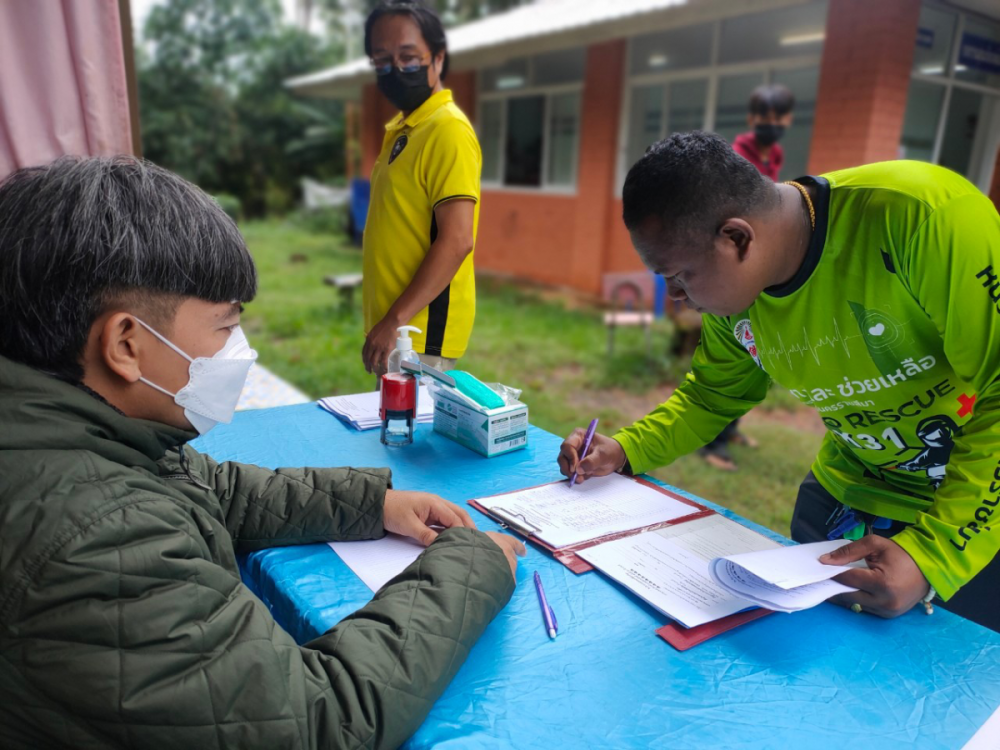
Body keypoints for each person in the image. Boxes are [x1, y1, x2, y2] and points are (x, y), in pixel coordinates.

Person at [0, 156, 525, 748]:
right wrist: (471, 569)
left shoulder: (62, 426)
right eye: (225, 327)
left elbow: (206, 487)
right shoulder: (98, 537)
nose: (239, 351)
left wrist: (371, 503)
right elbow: (315, 721)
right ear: (126, 343)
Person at [559, 131, 1000, 632]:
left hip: (972, 513)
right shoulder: (736, 299)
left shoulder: (923, 218)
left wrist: (933, 553)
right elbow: (712, 394)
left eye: (680, 276)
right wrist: (625, 450)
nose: (676, 298)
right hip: (846, 499)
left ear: (737, 238)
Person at [361, 0, 480, 377]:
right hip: (398, 332)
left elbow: (457, 239)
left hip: (418, 334)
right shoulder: (404, 130)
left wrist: (395, 319)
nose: (395, 70)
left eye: (409, 58)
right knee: (389, 432)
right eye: (382, 60)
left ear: (438, 58)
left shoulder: (447, 130)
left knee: (405, 434)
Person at [699, 84, 797, 471]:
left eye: (778, 118)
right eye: (763, 118)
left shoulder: (775, 154)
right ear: (751, 119)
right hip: (732, 270)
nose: (771, 125)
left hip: (758, 269)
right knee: (730, 358)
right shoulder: (736, 156)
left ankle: (732, 430)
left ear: (787, 119)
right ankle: (712, 444)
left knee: (755, 357)